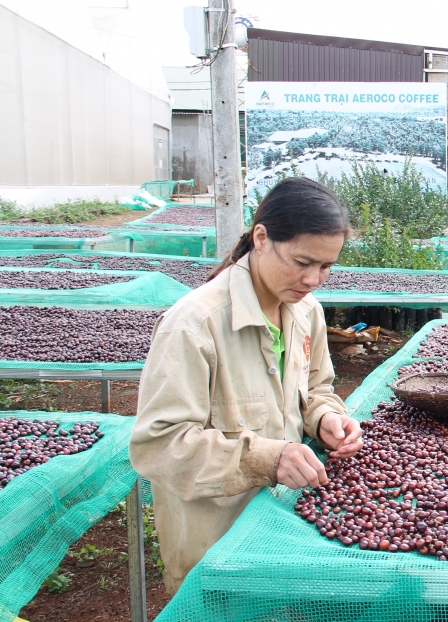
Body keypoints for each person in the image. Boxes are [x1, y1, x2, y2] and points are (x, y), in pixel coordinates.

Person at [129, 177, 364, 593]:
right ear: (260, 237)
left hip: (285, 525)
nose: (313, 279)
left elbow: (316, 387)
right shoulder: (195, 324)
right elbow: (159, 445)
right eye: (302, 261)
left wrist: (326, 416)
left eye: (326, 266)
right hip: (215, 543)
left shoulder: (305, 311)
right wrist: (267, 459)